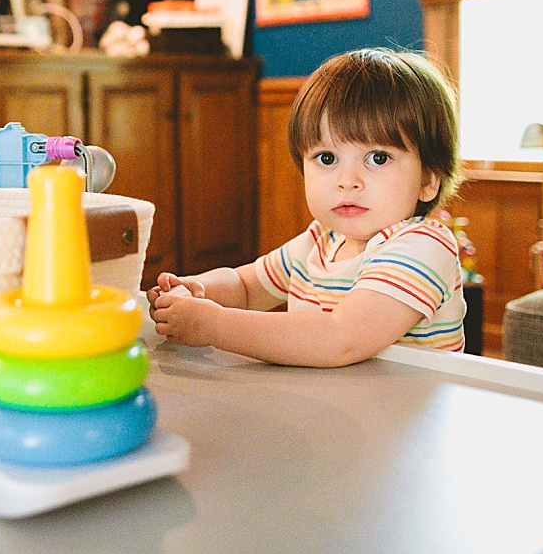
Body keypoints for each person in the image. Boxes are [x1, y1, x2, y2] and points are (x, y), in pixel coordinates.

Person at [148, 48, 464, 367]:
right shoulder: (319, 242)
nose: (347, 180)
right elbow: (245, 286)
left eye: (378, 158)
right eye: (327, 158)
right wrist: (196, 291)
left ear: (428, 180)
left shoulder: (424, 247)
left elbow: (340, 338)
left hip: (408, 416)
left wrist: (213, 325)